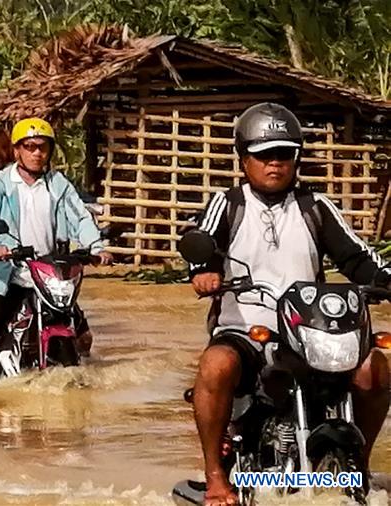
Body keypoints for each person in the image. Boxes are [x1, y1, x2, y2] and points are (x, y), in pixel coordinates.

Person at [186, 103, 391, 506]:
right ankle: (215, 478)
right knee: (215, 364)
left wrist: (383, 279)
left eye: (283, 154)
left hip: (310, 328)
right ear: (243, 158)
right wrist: (204, 269)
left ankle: (358, 466)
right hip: (245, 328)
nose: (274, 164)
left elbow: (357, 258)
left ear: (296, 158)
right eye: (263, 155)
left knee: (376, 367)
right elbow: (201, 242)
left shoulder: (316, 207)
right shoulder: (228, 205)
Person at [0, 118, 111, 383]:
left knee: (84, 337)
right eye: (30, 147)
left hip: (48, 273)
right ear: (17, 150)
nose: (37, 153)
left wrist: (96, 248)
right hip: (8, 274)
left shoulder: (58, 184)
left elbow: (80, 217)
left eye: (43, 147)